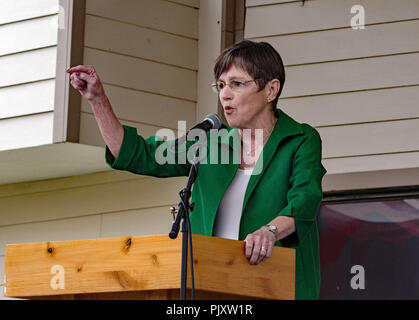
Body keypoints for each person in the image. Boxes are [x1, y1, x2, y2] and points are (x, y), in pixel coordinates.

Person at [67, 40, 326, 300]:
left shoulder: (301, 140)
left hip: (278, 289)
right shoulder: (208, 143)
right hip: (209, 290)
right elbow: (141, 156)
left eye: (237, 84)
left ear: (271, 89)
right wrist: (97, 100)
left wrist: (269, 231)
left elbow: (305, 199)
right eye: (221, 85)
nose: (225, 94)